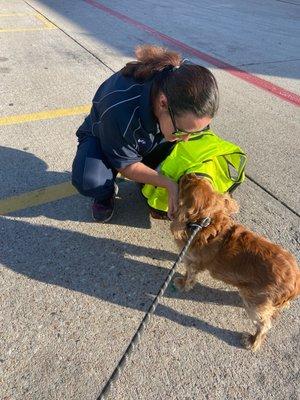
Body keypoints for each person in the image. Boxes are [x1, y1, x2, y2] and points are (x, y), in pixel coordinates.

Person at [71, 45, 219, 222]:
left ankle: (148, 174)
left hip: (150, 134)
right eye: (182, 131)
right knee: (91, 181)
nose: (186, 139)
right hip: (107, 135)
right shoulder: (119, 109)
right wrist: (168, 184)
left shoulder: (186, 81)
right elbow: (127, 166)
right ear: (163, 103)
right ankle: (105, 194)